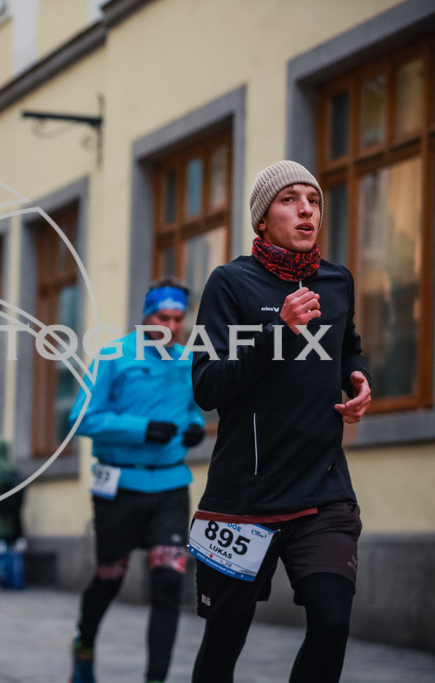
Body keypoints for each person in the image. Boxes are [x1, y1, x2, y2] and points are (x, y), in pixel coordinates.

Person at [189, 161, 370, 683]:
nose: (306, 209)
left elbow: (348, 348)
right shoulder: (229, 284)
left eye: (312, 199)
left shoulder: (337, 282)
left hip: (323, 488)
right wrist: (281, 331)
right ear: (262, 219)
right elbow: (207, 387)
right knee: (225, 635)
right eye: (289, 199)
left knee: (332, 620)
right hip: (246, 496)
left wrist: (357, 379)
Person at [68, 278, 205, 683]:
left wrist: (196, 425)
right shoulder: (114, 356)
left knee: (168, 584)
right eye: (163, 316)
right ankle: (84, 644)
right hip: (120, 487)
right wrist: (140, 429)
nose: (172, 325)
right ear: (146, 316)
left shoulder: (187, 360)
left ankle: (156, 678)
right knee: (110, 576)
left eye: (179, 318)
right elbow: (80, 417)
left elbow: (190, 410)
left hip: (170, 486)